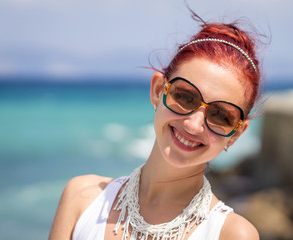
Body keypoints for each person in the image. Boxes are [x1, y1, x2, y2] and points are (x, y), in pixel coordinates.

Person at [49, 14, 262, 240]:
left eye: (220, 115)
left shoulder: (231, 234)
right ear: (159, 90)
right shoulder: (82, 198)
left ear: (235, 134)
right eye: (185, 97)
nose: (193, 125)